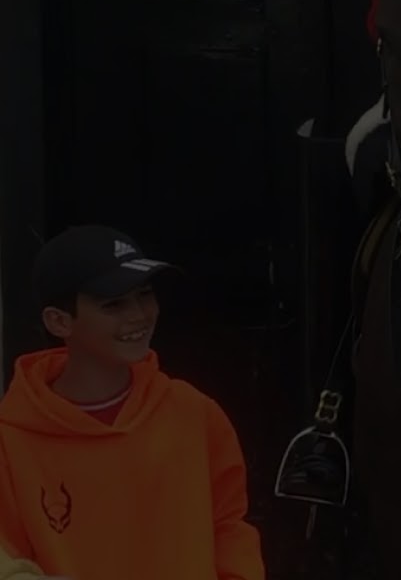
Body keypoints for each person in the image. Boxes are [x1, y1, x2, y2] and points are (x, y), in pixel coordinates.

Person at [0, 225, 264, 580]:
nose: (139, 314)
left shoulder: (195, 412)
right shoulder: (10, 441)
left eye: (145, 294)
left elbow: (230, 528)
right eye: (113, 304)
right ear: (59, 321)